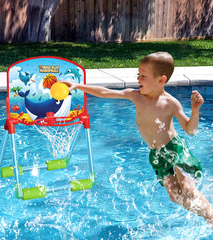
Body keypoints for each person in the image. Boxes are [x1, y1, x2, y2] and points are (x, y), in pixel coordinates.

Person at [63, 52, 213, 227]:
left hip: (174, 148)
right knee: (175, 197)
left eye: (143, 76)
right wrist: (77, 85)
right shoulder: (135, 96)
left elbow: (191, 130)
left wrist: (195, 110)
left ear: (161, 80)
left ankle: (211, 216)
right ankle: (207, 214)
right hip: (157, 155)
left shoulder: (170, 103)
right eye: (138, 74)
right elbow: (105, 92)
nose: (138, 78)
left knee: (188, 189)